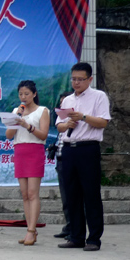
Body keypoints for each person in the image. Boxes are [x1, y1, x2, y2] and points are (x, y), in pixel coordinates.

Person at [56, 62, 111, 251]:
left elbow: (103, 122)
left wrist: (83, 117)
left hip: (88, 148)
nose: (76, 83)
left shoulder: (99, 96)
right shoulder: (67, 100)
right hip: (69, 148)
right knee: (72, 194)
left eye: (80, 79)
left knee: (91, 194)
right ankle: (76, 236)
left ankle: (94, 239)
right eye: (73, 79)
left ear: (90, 79)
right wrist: (66, 125)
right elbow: (59, 125)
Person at [5, 80, 50, 246]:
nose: (23, 97)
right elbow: (9, 135)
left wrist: (27, 125)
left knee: (32, 193)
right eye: (21, 94)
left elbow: (43, 134)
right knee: (24, 194)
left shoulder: (42, 111)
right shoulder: (16, 111)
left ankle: (31, 230)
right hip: (20, 151)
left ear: (34, 94)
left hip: (35, 151)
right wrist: (17, 118)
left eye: (26, 94)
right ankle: (30, 229)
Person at [53, 91, 74, 239]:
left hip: (72, 159)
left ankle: (75, 229)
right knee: (65, 197)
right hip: (60, 160)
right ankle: (69, 226)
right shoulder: (61, 121)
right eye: (61, 104)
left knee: (74, 197)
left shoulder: (75, 120)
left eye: (65, 103)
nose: (62, 106)